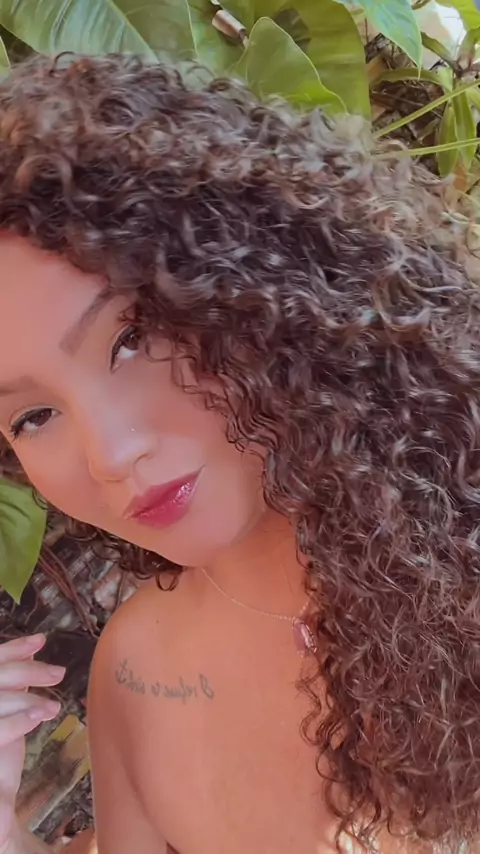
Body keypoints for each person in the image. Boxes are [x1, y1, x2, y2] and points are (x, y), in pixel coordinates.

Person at [0, 52, 479, 854]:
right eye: (33, 416)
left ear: (261, 284)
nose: (111, 453)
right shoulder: (137, 674)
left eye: (132, 338)